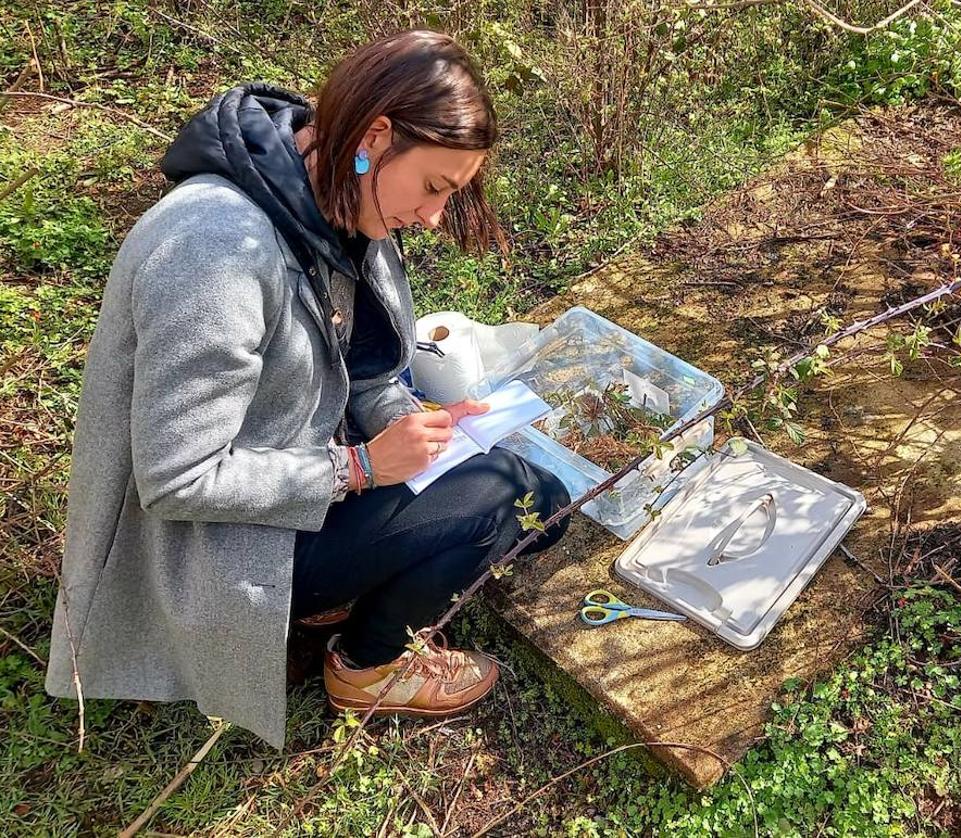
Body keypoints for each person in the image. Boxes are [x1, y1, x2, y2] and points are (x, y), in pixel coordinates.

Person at [44, 31, 571, 748]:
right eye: (435, 188)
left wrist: (419, 426)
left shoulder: (338, 190)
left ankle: (334, 595)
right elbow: (175, 478)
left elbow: (369, 368)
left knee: (546, 504)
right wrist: (357, 469)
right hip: (211, 549)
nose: (433, 217)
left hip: (295, 482)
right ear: (376, 135)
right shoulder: (214, 251)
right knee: (512, 498)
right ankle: (366, 666)